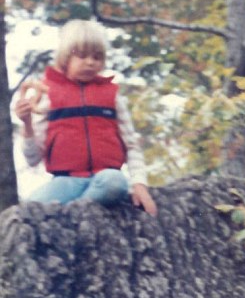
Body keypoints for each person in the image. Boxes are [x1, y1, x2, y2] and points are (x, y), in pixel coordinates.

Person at [13, 19, 157, 216]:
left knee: (116, 182)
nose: (90, 62)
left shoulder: (112, 96)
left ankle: (74, 213)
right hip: (65, 182)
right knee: (27, 211)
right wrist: (27, 124)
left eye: (97, 57)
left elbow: (132, 145)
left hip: (105, 178)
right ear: (65, 58)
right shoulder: (47, 95)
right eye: (81, 56)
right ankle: (81, 209)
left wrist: (139, 184)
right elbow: (32, 159)